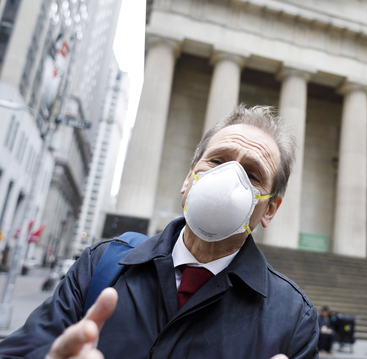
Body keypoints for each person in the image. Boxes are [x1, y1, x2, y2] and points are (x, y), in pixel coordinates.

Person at [0, 105, 319, 359]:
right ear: (188, 179)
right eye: (217, 160)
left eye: (252, 174)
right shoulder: (103, 264)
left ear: (270, 209)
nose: (228, 178)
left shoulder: (292, 321)